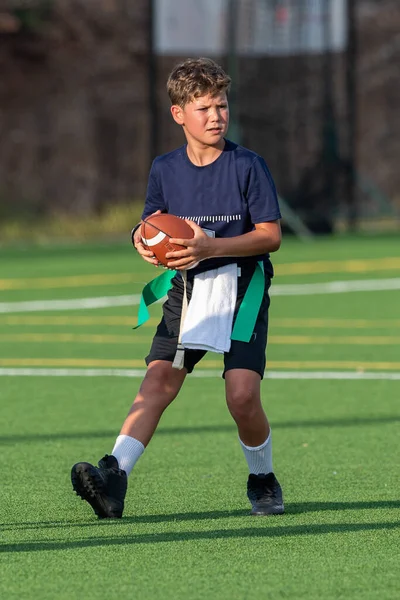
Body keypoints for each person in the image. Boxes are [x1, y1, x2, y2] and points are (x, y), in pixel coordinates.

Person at [71, 57, 284, 519]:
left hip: (241, 287)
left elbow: (271, 236)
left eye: (222, 106)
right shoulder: (165, 168)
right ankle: (114, 476)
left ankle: (263, 477)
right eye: (205, 108)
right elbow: (150, 223)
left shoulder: (248, 165)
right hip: (186, 291)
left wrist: (211, 247)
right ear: (178, 114)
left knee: (242, 396)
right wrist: (140, 241)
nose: (216, 116)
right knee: (158, 381)